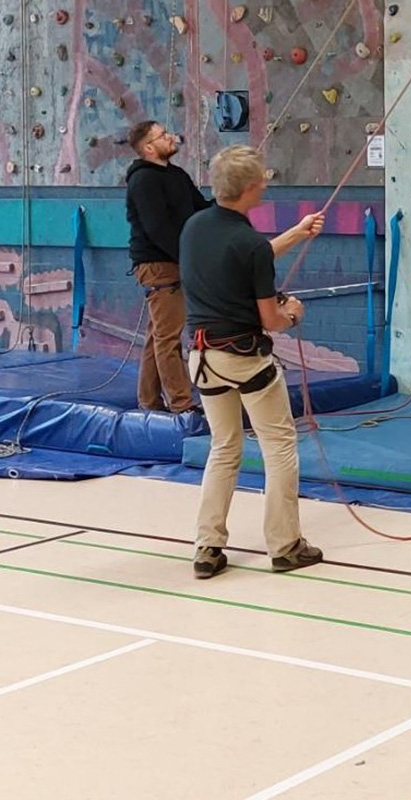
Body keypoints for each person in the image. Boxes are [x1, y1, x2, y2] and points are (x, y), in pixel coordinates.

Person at [180, 145, 325, 579]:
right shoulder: (249, 243)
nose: (266, 182)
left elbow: (247, 256)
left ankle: (207, 547)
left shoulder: (194, 227)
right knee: (279, 446)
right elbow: (271, 320)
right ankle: (285, 546)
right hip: (245, 358)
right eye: (261, 178)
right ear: (248, 189)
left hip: (203, 357)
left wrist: (297, 233)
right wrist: (292, 312)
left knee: (224, 448)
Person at [125, 119, 211, 414]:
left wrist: (227, 204)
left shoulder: (176, 175)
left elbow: (200, 208)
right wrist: (186, 259)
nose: (171, 137)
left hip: (174, 259)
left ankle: (149, 400)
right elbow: (157, 228)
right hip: (158, 263)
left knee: (159, 333)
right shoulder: (143, 180)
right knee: (168, 336)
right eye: (163, 136)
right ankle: (181, 403)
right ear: (149, 147)